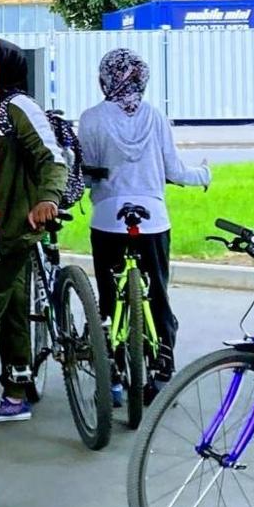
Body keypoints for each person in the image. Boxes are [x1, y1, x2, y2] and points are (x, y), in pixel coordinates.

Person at [80, 48, 209, 398]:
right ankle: (163, 367)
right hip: (152, 220)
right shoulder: (156, 117)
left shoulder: (91, 118)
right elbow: (175, 171)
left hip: (108, 219)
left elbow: (88, 173)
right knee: (157, 294)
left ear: (105, 77)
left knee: (110, 297)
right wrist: (204, 174)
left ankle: (115, 377)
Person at [0, 36, 68, 424]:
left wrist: (48, 199)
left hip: (9, 227)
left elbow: (52, 157)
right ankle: (15, 390)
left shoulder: (15, 106)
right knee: (10, 308)